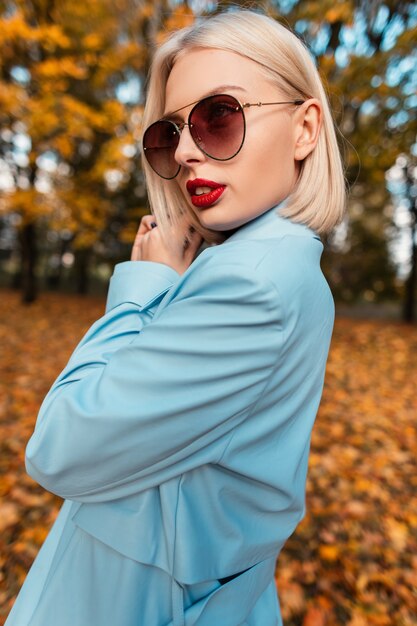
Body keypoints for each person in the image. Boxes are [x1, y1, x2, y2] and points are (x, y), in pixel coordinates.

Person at [5, 7, 345, 626]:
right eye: (170, 133)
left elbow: (59, 448)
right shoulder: (281, 268)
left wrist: (142, 288)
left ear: (305, 128)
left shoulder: (250, 283)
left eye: (219, 116)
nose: (187, 152)